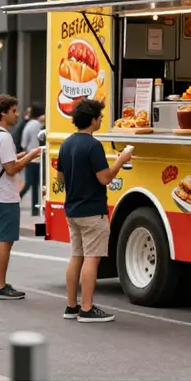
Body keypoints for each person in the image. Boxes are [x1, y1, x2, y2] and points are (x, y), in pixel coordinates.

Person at [57, 99, 132, 323]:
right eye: (99, 117)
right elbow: (105, 178)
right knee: (92, 258)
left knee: (76, 257)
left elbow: (60, 178)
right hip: (92, 210)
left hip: (72, 209)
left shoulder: (66, 143)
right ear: (92, 120)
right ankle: (87, 308)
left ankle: (72, 306)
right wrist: (121, 159)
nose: (100, 120)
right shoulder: (93, 145)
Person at [0, 95, 42, 299]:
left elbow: (1, 160)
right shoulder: (4, 136)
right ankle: (0, 286)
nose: (17, 115)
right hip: (5, 196)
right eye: (14, 111)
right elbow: (10, 169)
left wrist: (22, 155)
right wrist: (31, 156)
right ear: (3, 113)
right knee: (5, 242)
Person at [19, 104, 43, 216]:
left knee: (29, 183)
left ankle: (20, 200)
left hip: (30, 157)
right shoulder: (40, 126)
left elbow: (24, 143)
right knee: (36, 185)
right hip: (39, 158)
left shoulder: (28, 125)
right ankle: (35, 209)